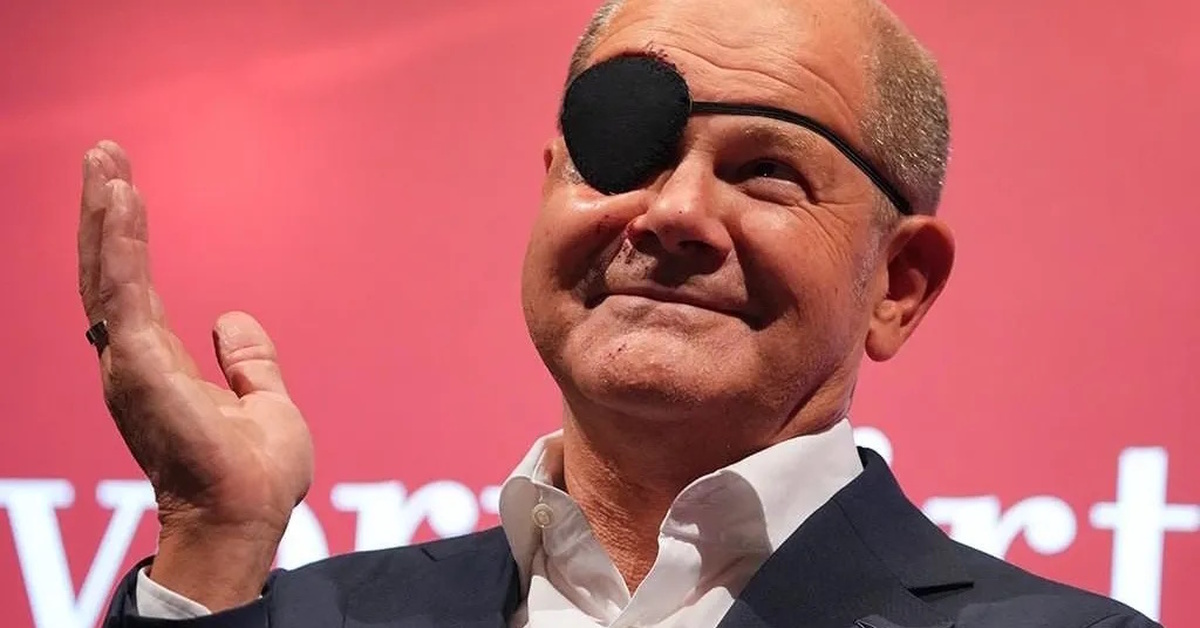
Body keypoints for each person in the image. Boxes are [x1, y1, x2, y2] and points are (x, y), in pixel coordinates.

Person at [79, 0, 1159, 626]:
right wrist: (214, 541)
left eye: (768, 171)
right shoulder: (301, 616)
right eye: (622, 153)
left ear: (899, 282)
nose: (673, 212)